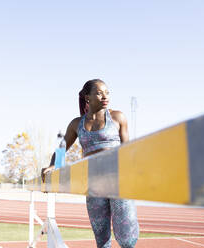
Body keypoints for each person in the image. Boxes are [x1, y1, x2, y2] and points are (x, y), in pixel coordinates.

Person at [42, 79, 139, 248]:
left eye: (107, 92)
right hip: (93, 184)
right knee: (101, 239)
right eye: (99, 92)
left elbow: (127, 150)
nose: (105, 96)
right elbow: (62, 148)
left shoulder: (117, 117)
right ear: (88, 97)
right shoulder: (76, 124)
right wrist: (53, 165)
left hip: (118, 182)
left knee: (127, 239)